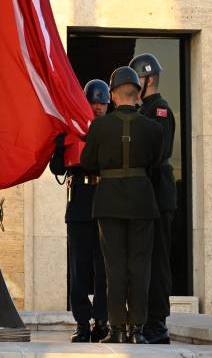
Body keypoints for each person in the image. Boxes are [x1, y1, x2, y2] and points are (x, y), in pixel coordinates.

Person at [80, 66, 164, 344]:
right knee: (140, 265)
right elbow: (156, 162)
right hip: (142, 200)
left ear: (113, 95)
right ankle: (137, 330)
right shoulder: (153, 127)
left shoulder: (100, 126)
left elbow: (88, 162)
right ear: (137, 93)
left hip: (109, 201)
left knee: (114, 265)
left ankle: (116, 329)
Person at [50, 80, 110, 342]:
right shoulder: (71, 129)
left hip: (106, 203)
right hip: (79, 205)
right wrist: (60, 144)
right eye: (93, 102)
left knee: (104, 269)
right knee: (79, 268)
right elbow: (57, 169)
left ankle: (102, 321)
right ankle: (82, 323)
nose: (97, 107)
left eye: (101, 102)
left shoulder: (112, 129)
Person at [131, 52, 176, 345]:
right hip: (148, 196)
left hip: (158, 196)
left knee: (158, 260)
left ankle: (157, 324)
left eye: (138, 82)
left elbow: (157, 153)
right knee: (145, 259)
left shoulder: (159, 110)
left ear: (147, 80)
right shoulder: (144, 110)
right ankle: (146, 319)